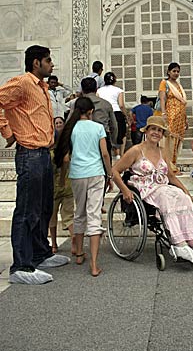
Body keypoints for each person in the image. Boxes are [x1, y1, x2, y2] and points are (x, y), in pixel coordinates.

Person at [0, 45, 70, 285]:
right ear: (36, 63)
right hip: (29, 153)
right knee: (27, 209)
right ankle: (21, 265)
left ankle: (40, 254)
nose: (52, 65)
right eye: (48, 61)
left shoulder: (41, 87)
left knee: (43, 207)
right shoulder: (21, 83)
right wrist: (8, 131)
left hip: (43, 154)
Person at [112, 116, 193, 263]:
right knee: (166, 198)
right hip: (145, 189)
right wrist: (124, 190)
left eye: (160, 131)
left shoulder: (162, 151)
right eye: (153, 129)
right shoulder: (136, 150)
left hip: (163, 186)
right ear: (147, 131)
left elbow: (170, 176)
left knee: (183, 198)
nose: (156, 133)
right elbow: (114, 171)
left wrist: (185, 190)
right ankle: (179, 242)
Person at [54, 97, 113, 277]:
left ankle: (79, 254)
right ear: (90, 111)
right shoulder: (98, 128)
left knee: (79, 213)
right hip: (96, 174)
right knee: (94, 215)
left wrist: (63, 178)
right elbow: (104, 153)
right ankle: (94, 265)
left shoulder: (70, 129)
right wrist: (109, 174)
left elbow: (65, 158)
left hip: (77, 175)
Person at [49, 117, 76, 255]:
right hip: (68, 185)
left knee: (52, 217)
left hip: (54, 188)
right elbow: (67, 160)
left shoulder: (50, 152)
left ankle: (53, 244)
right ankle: (74, 239)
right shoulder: (68, 146)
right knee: (68, 216)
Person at [157, 62, 187, 173]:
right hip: (170, 115)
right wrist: (164, 114)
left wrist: (185, 119)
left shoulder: (179, 86)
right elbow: (163, 99)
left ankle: (173, 165)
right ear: (169, 72)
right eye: (174, 71)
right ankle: (168, 166)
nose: (176, 73)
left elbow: (183, 102)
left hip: (180, 118)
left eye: (178, 71)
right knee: (169, 141)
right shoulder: (165, 83)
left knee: (177, 142)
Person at [81, 77, 118, 163]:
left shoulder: (76, 103)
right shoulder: (106, 104)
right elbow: (114, 126)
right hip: (103, 138)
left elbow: (69, 123)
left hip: (82, 140)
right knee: (105, 166)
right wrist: (113, 142)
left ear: (82, 90)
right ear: (96, 89)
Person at [97, 71, 129, 159]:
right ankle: (121, 154)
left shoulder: (99, 90)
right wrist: (126, 116)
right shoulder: (118, 90)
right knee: (121, 134)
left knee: (107, 134)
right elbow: (121, 105)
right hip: (117, 112)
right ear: (114, 80)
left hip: (104, 113)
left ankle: (110, 154)